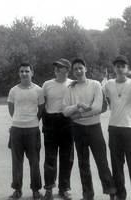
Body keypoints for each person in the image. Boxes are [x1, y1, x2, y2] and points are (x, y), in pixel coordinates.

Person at [62, 58, 116, 200]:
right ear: (73, 72)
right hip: (78, 130)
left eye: (81, 68)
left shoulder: (95, 84)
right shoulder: (70, 88)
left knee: (102, 161)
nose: (79, 71)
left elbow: (98, 107)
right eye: (76, 69)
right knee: (83, 163)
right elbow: (65, 111)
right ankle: (88, 194)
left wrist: (78, 115)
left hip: (94, 129)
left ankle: (111, 191)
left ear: (85, 69)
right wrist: (78, 105)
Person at [104, 55, 131, 200]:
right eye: (117, 66)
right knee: (117, 166)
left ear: (127, 68)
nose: (119, 68)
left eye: (122, 66)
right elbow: (103, 95)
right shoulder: (108, 84)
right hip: (114, 128)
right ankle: (120, 195)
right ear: (114, 68)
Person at [7, 63, 45, 200]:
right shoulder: (13, 90)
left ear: (32, 73)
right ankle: (17, 189)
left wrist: (32, 121)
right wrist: (19, 121)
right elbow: (11, 109)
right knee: (17, 162)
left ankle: (36, 190)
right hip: (16, 130)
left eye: (27, 71)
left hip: (32, 130)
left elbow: (41, 109)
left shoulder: (39, 90)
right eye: (21, 71)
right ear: (19, 73)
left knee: (34, 162)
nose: (24, 74)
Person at [42, 58, 74, 200]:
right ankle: (49, 188)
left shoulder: (73, 84)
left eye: (59, 67)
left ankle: (64, 188)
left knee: (67, 157)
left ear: (67, 70)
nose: (56, 68)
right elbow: (42, 105)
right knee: (50, 157)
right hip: (50, 122)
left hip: (67, 122)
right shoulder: (47, 84)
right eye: (55, 66)